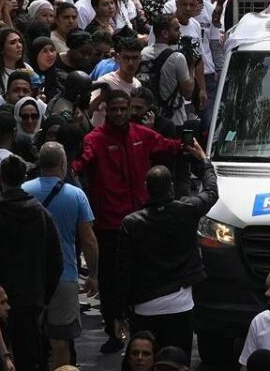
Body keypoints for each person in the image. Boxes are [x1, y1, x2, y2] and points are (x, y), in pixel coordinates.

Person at [71, 89, 183, 353]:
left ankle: (142, 332)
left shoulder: (142, 135)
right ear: (106, 111)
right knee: (110, 282)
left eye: (124, 109)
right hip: (110, 226)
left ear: (131, 108)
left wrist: (192, 146)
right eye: (114, 109)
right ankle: (113, 329)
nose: (119, 114)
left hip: (143, 222)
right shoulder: (94, 140)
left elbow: (169, 146)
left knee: (144, 278)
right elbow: (80, 162)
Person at [118, 139, 218, 364]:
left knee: (144, 362)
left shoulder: (131, 223)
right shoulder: (187, 210)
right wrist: (204, 161)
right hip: (180, 303)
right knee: (177, 362)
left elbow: (124, 269)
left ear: (147, 188)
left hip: (144, 305)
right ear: (171, 186)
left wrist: (120, 311)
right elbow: (211, 191)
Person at [0, 154, 63, 371]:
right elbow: (56, 261)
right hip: (31, 299)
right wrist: (43, 295)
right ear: (23, 178)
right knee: (28, 358)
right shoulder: (41, 214)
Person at [22, 141, 98, 371]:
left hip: (30, 278)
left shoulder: (24, 191)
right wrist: (93, 274)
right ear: (63, 164)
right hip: (64, 277)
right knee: (60, 340)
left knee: (29, 339)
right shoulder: (76, 195)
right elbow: (88, 240)